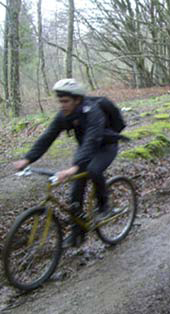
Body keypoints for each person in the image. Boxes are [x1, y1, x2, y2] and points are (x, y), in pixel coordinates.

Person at [13, 79, 124, 248]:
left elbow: (92, 139)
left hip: (105, 147)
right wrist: (28, 159)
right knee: (75, 190)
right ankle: (77, 233)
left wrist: (75, 167)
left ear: (77, 99)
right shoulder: (64, 115)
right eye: (60, 101)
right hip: (86, 150)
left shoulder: (93, 112)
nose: (62, 105)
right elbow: (47, 137)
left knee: (93, 170)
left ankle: (105, 206)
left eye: (66, 101)